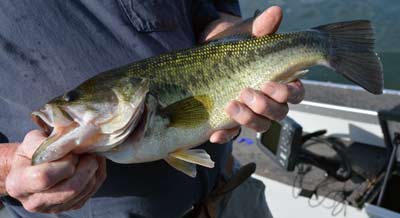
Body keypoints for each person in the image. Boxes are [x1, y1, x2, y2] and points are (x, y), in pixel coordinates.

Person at [0, 1, 304, 217]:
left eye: (73, 99)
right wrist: (10, 167)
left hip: (231, 195)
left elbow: (205, 13)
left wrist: (236, 40)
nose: (62, 108)